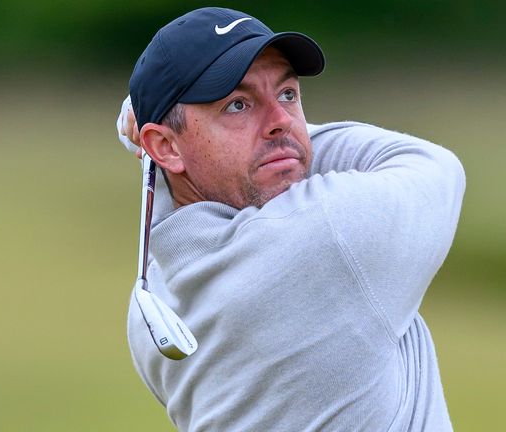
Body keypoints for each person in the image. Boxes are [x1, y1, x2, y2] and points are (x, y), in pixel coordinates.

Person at [116, 7, 465, 431]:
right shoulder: (330, 234)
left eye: (287, 95)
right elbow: (432, 166)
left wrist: (166, 141)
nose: (281, 121)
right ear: (165, 147)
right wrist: (287, 143)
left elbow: (191, 177)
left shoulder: (152, 308)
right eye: (238, 104)